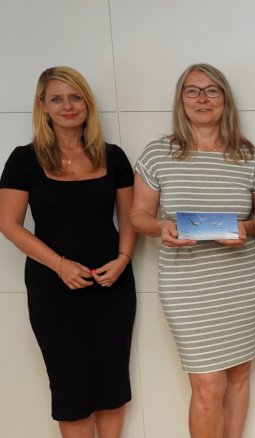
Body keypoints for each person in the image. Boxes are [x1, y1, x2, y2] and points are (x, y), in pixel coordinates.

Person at [130, 64, 255, 438]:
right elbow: (138, 216)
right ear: (181, 100)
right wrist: (161, 227)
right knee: (207, 384)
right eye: (192, 91)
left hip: (241, 279)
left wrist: (247, 228)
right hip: (187, 284)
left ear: (225, 99)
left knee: (239, 373)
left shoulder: (249, 156)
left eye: (212, 91)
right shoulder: (159, 153)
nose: (202, 99)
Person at [0, 66, 137, 438]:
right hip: (53, 288)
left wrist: (123, 260)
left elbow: (129, 220)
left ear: (87, 103)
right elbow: (9, 224)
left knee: (111, 386)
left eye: (75, 97)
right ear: (42, 105)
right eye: (57, 98)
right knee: (70, 387)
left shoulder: (114, 156)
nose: (67, 106)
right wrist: (60, 266)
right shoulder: (23, 159)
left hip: (111, 284)